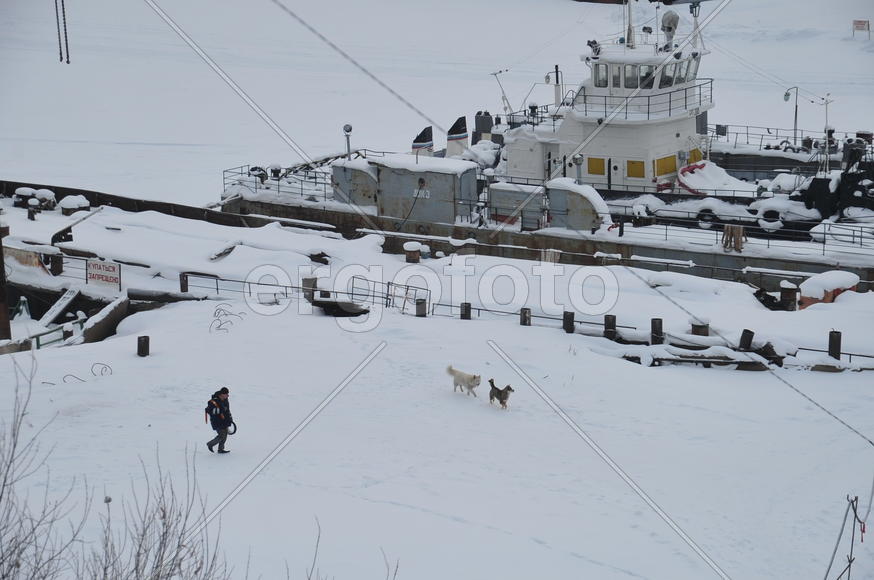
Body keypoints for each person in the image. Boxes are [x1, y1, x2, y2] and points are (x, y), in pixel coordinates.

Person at [205, 387, 233, 454]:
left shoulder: (225, 400)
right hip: (217, 421)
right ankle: (210, 444)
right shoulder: (214, 401)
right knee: (221, 435)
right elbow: (211, 411)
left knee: (225, 435)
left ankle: (221, 449)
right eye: (226, 394)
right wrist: (218, 411)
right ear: (221, 394)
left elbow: (227, 411)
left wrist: (230, 419)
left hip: (224, 421)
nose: (228, 395)